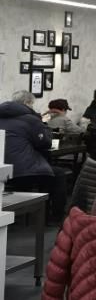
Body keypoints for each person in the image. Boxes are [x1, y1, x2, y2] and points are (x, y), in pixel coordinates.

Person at [2, 91, 67, 221]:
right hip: (23, 172)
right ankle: (55, 217)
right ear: (27, 103)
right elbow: (46, 143)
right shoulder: (31, 119)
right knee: (58, 174)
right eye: (32, 104)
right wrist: (44, 127)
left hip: (2, 172)